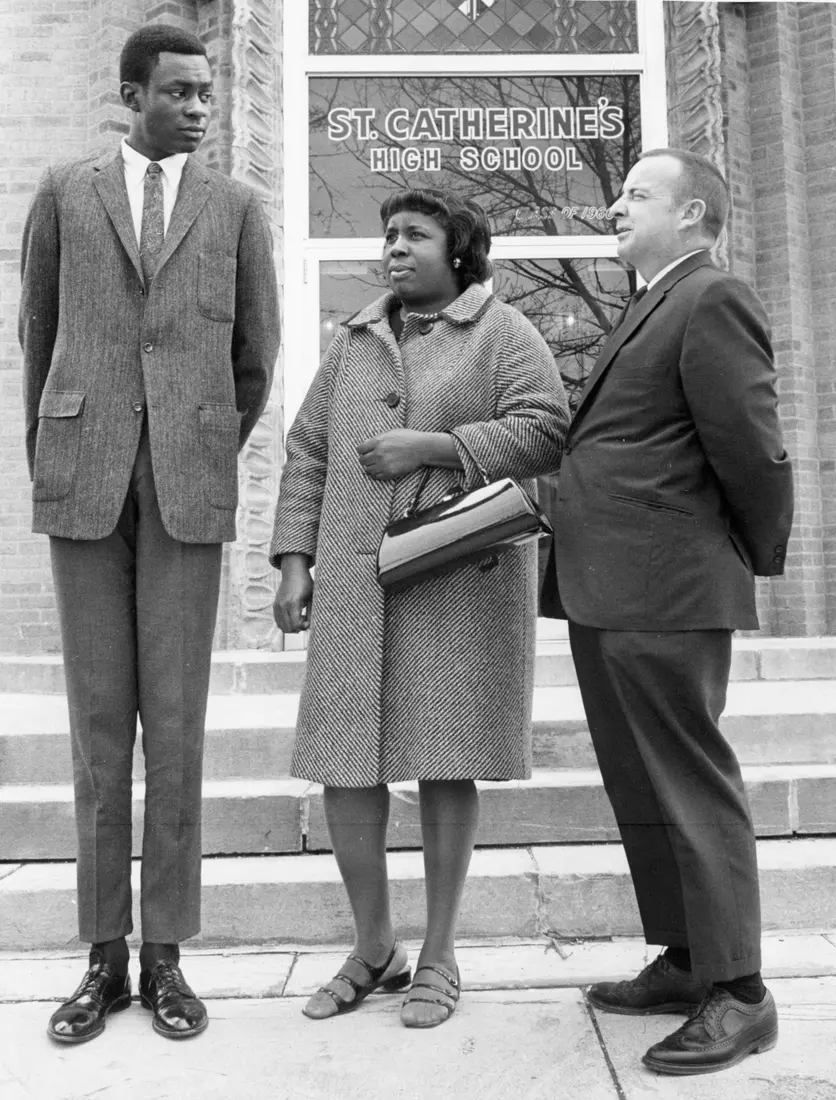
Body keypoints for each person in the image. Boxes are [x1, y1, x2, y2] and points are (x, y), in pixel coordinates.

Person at [20, 24, 280, 1043]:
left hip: (186, 488)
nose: (200, 107)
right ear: (132, 95)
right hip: (84, 485)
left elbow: (255, 356)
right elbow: (37, 336)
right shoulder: (62, 190)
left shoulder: (237, 208)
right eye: (179, 92)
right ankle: (102, 958)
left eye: (208, 93)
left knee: (174, 728)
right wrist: (67, 445)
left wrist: (199, 437)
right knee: (96, 732)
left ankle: (167, 954)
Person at [271, 188, 568, 1029]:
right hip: (354, 579)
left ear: (459, 249)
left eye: (416, 235)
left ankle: (438, 953)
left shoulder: (502, 331)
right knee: (344, 760)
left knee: (445, 756)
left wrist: (438, 446)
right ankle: (374, 948)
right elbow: (308, 451)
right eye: (389, 234)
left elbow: (547, 428)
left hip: (455, 580)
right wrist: (294, 563)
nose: (396, 247)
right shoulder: (356, 341)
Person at [541, 148, 794, 1075]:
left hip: (668, 586)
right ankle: (690, 959)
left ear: (692, 216)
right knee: (643, 788)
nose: (615, 205)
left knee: (689, 782)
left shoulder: (712, 299)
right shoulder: (647, 301)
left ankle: (742, 993)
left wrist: (746, 558)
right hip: (609, 586)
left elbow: (753, 453)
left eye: (637, 193)